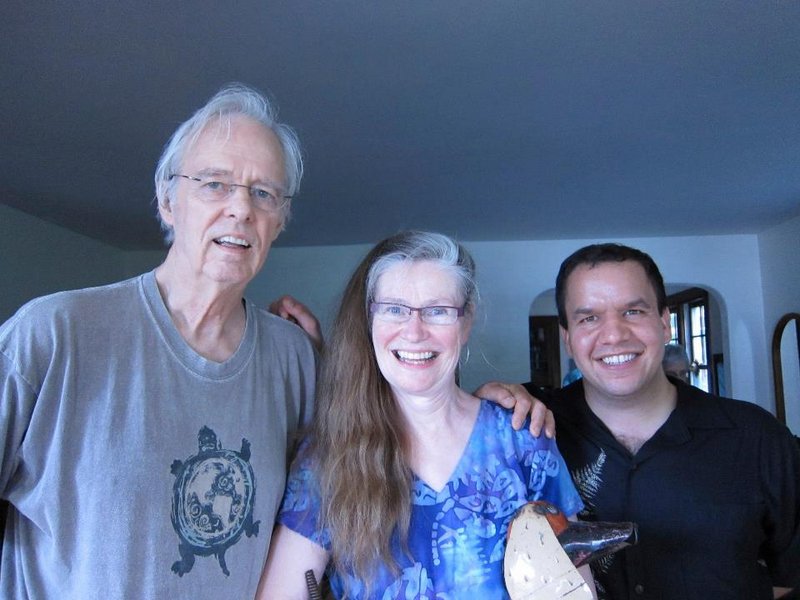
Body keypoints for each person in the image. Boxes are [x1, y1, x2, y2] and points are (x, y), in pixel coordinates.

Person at [0, 83, 319, 598]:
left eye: (263, 193)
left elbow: (353, 484)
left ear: (279, 220)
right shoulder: (51, 336)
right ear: (168, 201)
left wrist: (486, 404)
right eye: (214, 184)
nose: (241, 208)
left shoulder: (296, 360)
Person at [257, 231, 595, 599]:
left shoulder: (523, 438)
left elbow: (574, 591)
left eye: (437, 311)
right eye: (394, 309)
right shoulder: (327, 457)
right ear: (369, 321)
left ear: (465, 323)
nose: (414, 331)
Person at [525, 243, 800, 599]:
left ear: (665, 323)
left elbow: (790, 574)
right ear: (567, 339)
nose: (613, 335)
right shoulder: (529, 432)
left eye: (633, 311)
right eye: (588, 318)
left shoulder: (757, 438)